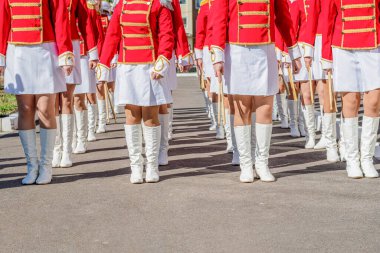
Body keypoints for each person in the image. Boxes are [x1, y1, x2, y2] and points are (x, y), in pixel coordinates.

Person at [211, 0, 302, 183]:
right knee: (242, 108)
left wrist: (294, 52)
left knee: (265, 109)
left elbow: (284, 18)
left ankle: (262, 163)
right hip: (237, 50)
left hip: (265, 48)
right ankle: (246, 164)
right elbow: (219, 18)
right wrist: (217, 56)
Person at [97, 0, 174, 183]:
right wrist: (104, 64)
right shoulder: (121, 5)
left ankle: (152, 166)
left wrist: (161, 62)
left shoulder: (158, 4)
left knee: (150, 116)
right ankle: (136, 167)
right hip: (127, 67)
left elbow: (166, 35)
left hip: (150, 67)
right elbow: (113, 36)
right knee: (131, 116)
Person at [0, 0, 73, 184]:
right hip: (18, 52)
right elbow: (2, 20)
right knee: (25, 109)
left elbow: (60, 17)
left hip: (45, 50)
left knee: (46, 109)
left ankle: (46, 166)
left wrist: (65, 53)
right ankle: (31, 167)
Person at [321, 0, 380, 179]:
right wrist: (326, 55)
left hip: (373, 44)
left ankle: (367, 158)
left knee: (374, 101)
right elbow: (327, 18)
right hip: (343, 46)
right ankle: (353, 159)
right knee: (351, 101)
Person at [52, 0, 98, 168]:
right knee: (51, 103)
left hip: (71, 45)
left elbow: (86, 22)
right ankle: (55, 150)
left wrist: (93, 53)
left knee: (66, 100)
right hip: (48, 46)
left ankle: (66, 151)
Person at [158, 0, 193, 166]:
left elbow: (178, 24)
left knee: (165, 97)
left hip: (165, 53)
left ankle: (163, 143)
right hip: (142, 52)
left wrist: (182, 53)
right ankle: (153, 141)